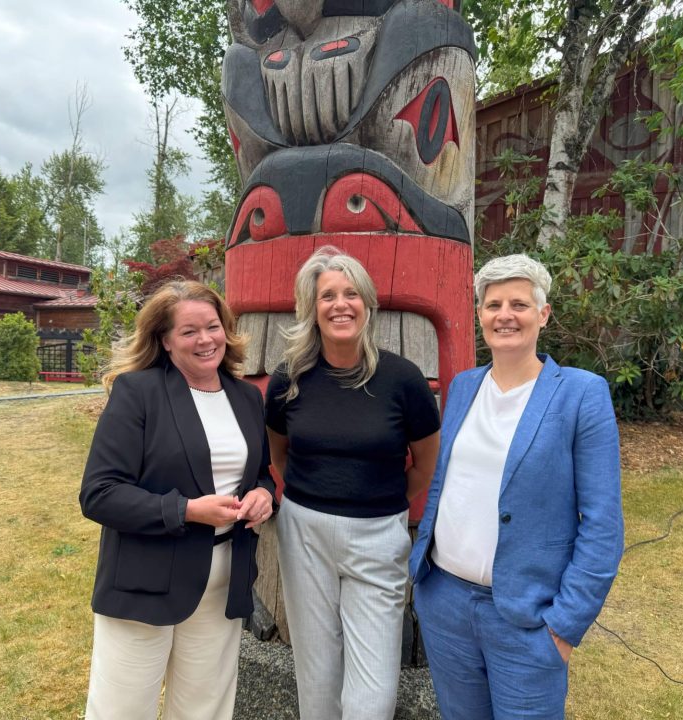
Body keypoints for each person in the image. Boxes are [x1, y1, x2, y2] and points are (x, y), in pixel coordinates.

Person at [410, 254, 624, 720]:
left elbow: (603, 525)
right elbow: (448, 481)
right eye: (493, 305)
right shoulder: (464, 387)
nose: (505, 315)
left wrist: (564, 626)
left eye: (519, 305)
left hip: (527, 617)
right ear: (480, 315)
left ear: (543, 314)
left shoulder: (581, 394)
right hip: (445, 602)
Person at [79, 280, 275, 720]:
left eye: (212, 327)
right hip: (145, 578)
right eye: (189, 331)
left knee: (204, 710)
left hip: (223, 580)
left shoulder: (246, 398)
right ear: (165, 340)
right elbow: (99, 493)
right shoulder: (138, 392)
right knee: (122, 711)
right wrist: (187, 510)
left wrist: (264, 493)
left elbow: (259, 472)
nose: (205, 340)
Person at [265, 246, 441, 720]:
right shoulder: (289, 379)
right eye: (328, 296)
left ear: (367, 303)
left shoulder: (403, 380)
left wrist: (378, 502)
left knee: (373, 691)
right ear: (312, 307)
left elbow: (425, 464)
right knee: (317, 674)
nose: (340, 305)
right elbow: (279, 454)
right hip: (304, 533)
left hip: (378, 536)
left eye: (351, 294)